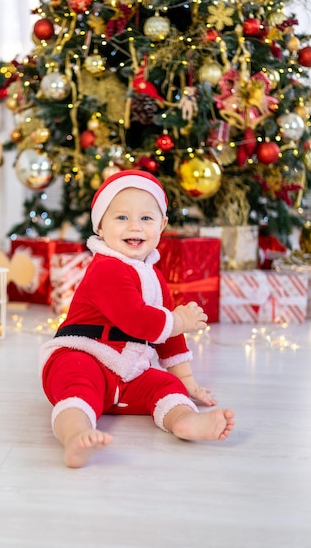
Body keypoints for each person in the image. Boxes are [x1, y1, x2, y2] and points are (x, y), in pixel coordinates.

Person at [40, 170, 235, 468]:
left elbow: (170, 339)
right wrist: (177, 320)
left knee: (166, 386)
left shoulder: (153, 276)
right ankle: (75, 435)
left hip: (127, 371)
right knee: (79, 386)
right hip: (84, 354)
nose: (135, 226)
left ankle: (184, 420)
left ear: (162, 225)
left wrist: (186, 381)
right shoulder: (106, 268)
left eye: (146, 218)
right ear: (100, 228)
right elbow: (137, 320)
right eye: (121, 218)